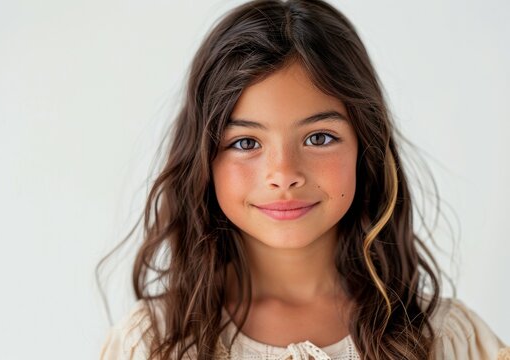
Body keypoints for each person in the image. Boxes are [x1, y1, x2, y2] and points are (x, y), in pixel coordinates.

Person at [97, 0, 508, 359]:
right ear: (203, 158)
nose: (283, 175)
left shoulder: (442, 339)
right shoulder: (153, 345)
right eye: (245, 142)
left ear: (365, 147)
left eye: (318, 137)